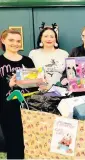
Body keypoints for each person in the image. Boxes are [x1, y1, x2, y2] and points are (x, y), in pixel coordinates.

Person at [0, 29, 35, 159]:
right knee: (13, 144)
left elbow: (34, 86)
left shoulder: (28, 61)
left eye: (18, 41)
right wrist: (8, 84)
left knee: (31, 142)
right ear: (3, 40)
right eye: (11, 40)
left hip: (27, 108)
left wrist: (40, 83)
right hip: (7, 110)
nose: (15, 43)